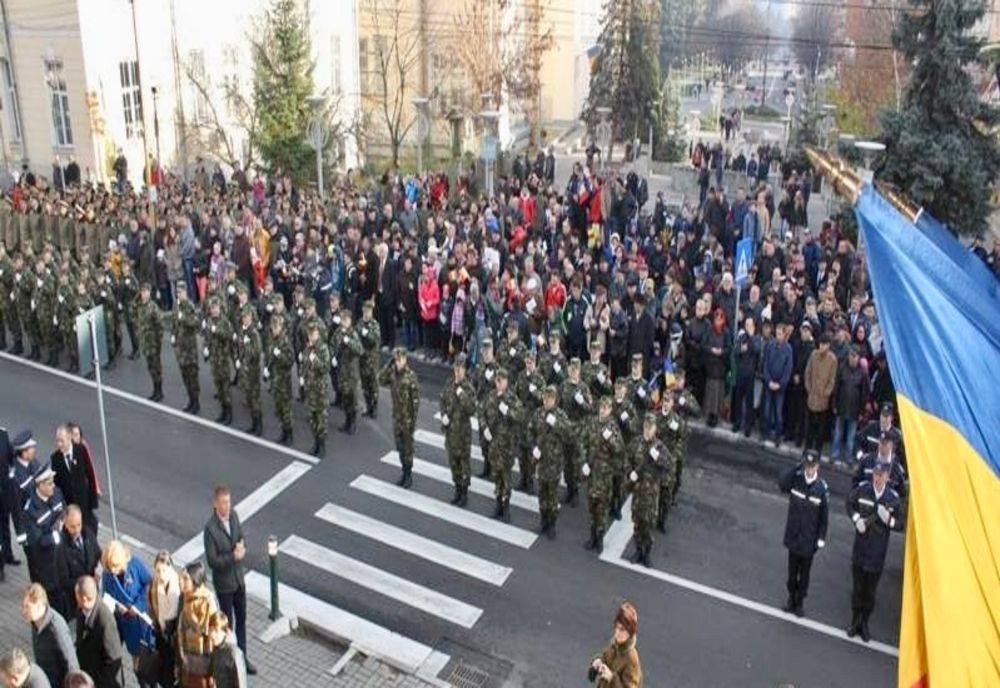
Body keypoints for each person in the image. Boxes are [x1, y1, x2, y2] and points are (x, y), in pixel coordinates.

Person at [846, 462, 904, 642]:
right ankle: (854, 621)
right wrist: (857, 520)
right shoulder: (863, 490)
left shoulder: (892, 498)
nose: (878, 478)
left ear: (887, 477)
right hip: (860, 549)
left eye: (881, 475)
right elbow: (850, 504)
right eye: (876, 475)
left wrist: (888, 520)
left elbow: (901, 524)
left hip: (877, 553)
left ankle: (864, 623)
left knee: (870, 593)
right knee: (857, 589)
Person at [202, 486, 254, 674]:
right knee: (228, 626)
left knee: (242, 620)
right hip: (224, 586)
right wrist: (233, 556)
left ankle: (243, 658)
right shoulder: (210, 529)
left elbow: (241, 537)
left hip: (239, 580)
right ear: (216, 504)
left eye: (229, 502)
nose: (227, 506)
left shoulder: (233, 516)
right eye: (224, 502)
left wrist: (242, 546)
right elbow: (212, 561)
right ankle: (231, 663)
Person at [777, 450, 829, 618]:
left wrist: (821, 538)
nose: (809, 469)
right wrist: (796, 467)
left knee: (804, 575)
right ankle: (791, 599)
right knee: (792, 574)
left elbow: (824, 517)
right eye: (807, 465)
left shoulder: (821, 488)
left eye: (812, 466)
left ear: (817, 467)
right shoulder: (796, 479)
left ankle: (800, 603)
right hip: (794, 535)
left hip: (808, 539)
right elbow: (782, 483)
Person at [99, 540, 156, 688]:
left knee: (148, 669)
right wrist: (118, 608)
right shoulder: (108, 574)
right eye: (109, 567)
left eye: (115, 567)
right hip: (126, 626)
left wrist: (138, 605)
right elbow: (107, 596)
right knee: (138, 668)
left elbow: (149, 584)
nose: (112, 571)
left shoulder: (135, 565)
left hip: (142, 624)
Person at [629, 414, 672, 567]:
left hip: (651, 494)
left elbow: (669, 464)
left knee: (648, 525)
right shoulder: (637, 443)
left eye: (650, 428)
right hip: (638, 492)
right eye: (645, 427)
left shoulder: (659, 447)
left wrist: (657, 457)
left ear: (655, 429)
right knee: (637, 523)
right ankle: (638, 550)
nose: (647, 431)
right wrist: (631, 473)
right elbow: (628, 459)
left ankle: (646, 553)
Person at [583, 397, 623, 555]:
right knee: (592, 506)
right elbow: (583, 442)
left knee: (602, 508)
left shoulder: (613, 427)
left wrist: (610, 439)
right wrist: (583, 462)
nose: (603, 410)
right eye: (601, 407)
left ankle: (599, 538)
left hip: (605, 475)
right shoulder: (592, 423)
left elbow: (620, 449)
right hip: (592, 472)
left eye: (606, 408)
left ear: (610, 410)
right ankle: (592, 536)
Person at [529, 386, 570, 538]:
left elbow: (569, 433)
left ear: (555, 400)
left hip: (554, 462)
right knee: (542, 493)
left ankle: (552, 524)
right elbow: (530, 430)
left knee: (552, 496)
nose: (547, 400)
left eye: (551, 398)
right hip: (541, 461)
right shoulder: (538, 413)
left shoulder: (560, 415)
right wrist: (533, 447)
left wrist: (556, 424)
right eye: (546, 397)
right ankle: (543, 521)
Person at [481, 368, 521, 521]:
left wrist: (508, 411)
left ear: (507, 381)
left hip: (506, 446)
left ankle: (506, 507)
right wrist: (484, 428)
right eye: (498, 379)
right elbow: (482, 412)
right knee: (496, 475)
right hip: (494, 445)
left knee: (506, 477)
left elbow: (519, 416)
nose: (499, 381)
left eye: (502, 379)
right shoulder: (491, 396)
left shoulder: (511, 398)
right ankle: (498, 504)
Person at [379, 347, 421, 488]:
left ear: (405, 359)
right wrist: (388, 364)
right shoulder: (392, 374)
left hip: (407, 420)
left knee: (408, 449)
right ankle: (404, 471)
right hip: (397, 418)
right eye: (396, 360)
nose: (398, 362)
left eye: (400, 359)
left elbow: (415, 403)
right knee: (400, 447)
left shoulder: (411, 377)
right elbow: (380, 379)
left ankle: (408, 475)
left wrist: (412, 423)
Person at [23, 464, 65, 605]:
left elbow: (64, 511)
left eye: (53, 482)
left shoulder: (57, 493)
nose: (53, 486)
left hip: (62, 558)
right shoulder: (30, 511)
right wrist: (56, 534)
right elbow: (37, 542)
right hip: (46, 567)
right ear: (40, 485)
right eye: (49, 483)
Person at [74, 575, 125, 688]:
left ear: (84, 599)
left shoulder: (106, 621)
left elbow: (113, 659)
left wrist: (97, 683)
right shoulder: (81, 610)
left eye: (76, 595)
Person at [22, 584, 77, 687]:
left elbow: (71, 664)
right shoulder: (35, 622)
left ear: (39, 605)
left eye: (27, 607)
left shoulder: (56, 629)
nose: (23, 611)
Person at [439, 353, 475, 506]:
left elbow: (471, 409)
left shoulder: (468, 387)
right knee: (453, 463)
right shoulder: (449, 384)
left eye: (460, 368)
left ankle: (464, 493)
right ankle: (457, 489)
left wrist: (462, 395)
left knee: (463, 464)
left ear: (465, 370)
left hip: (463, 434)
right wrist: (443, 416)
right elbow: (442, 400)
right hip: (451, 432)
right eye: (456, 368)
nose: (458, 371)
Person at [50, 424, 99, 535]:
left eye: (61, 441)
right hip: (70, 506)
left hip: (84, 503)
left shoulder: (81, 450)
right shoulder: (55, 458)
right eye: (57, 441)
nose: (59, 444)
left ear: (69, 438)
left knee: (89, 531)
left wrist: (93, 501)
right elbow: (56, 485)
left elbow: (90, 474)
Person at [56, 504, 101, 620]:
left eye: (78, 525)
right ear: (65, 524)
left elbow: (98, 554)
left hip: (94, 591)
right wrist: (86, 583)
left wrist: (99, 568)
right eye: (72, 526)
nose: (76, 530)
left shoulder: (88, 533)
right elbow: (64, 580)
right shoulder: (61, 548)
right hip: (76, 601)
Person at [177, 562, 218, 688]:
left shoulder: (207, 600)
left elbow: (213, 631)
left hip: (202, 659)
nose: (181, 582)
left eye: (185, 578)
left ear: (195, 580)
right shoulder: (184, 596)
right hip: (187, 656)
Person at [830, 346, 869, 465]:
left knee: (851, 437)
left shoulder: (862, 373)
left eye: (855, 356)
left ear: (858, 358)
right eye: (851, 355)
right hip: (841, 406)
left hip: (854, 409)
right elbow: (836, 388)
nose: (852, 358)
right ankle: (834, 455)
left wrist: (862, 411)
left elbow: (865, 393)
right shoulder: (842, 368)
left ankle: (848, 457)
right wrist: (834, 404)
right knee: (838, 433)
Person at [148, 551, 181, 688]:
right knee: (163, 670)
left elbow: (174, 613)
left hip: (173, 634)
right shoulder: (155, 583)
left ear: (170, 568)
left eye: (163, 570)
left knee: (171, 669)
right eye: (157, 570)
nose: (160, 574)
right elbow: (153, 604)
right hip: (161, 631)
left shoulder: (175, 586)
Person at [589, 602, 642, 687]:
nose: (617, 633)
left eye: (622, 630)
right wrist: (597, 662)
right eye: (617, 627)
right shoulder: (614, 646)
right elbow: (605, 657)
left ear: (630, 632)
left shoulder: (631, 659)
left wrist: (611, 678)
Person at [803, 334, 838, 454]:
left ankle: (817, 450)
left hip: (823, 400)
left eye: (824, 344)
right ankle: (807, 449)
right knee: (809, 427)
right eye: (820, 344)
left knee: (820, 428)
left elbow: (832, 380)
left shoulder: (832, 359)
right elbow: (807, 372)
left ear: (828, 345)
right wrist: (808, 387)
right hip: (812, 397)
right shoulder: (813, 355)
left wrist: (826, 393)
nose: (821, 346)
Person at [761, 323, 793, 446]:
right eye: (777, 333)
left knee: (778, 412)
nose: (777, 336)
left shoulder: (788, 349)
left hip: (780, 386)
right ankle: (766, 433)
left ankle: (778, 436)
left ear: (784, 335)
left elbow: (788, 369)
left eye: (780, 334)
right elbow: (766, 364)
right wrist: (768, 380)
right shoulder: (770, 345)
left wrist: (780, 384)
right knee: (767, 410)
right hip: (769, 383)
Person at [331, 309, 362, 436]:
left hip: (351, 372)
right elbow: (332, 343)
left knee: (352, 398)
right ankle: (347, 421)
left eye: (346, 320)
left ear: (350, 321)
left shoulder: (353, 334)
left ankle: (352, 423)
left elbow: (360, 350)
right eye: (342, 319)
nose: (343, 322)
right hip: (341, 371)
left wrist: (349, 342)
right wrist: (333, 356)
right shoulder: (338, 332)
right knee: (345, 398)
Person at [265, 312, 295, 445]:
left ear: (280, 327)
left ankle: (289, 434)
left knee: (286, 408)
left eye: (276, 327)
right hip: (275, 379)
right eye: (273, 327)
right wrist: (267, 368)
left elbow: (290, 361)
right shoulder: (272, 339)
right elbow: (269, 355)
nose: (274, 329)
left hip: (283, 379)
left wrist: (280, 355)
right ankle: (283, 431)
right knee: (278, 408)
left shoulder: (285, 341)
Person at [301, 322, 330, 456]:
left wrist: (316, 360)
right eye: (309, 334)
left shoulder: (322, 348)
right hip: (310, 388)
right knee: (311, 417)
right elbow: (305, 365)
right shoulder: (308, 348)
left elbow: (325, 368)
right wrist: (302, 376)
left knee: (320, 418)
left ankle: (322, 445)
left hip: (320, 389)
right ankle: (316, 442)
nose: (311, 336)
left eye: (313, 334)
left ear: (317, 334)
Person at [172, 284, 201, 414]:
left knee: (192, 376)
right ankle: (190, 400)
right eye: (178, 292)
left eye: (181, 292)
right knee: (185, 376)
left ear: (186, 292)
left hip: (190, 348)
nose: (179, 294)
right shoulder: (176, 306)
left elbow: (195, 323)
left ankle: (196, 402)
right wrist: (173, 335)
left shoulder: (189, 306)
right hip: (180, 348)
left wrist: (184, 318)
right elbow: (174, 323)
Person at [235, 306, 263, 436]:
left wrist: (248, 345)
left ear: (251, 318)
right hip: (244, 369)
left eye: (247, 317)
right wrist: (237, 359)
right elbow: (238, 347)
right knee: (249, 398)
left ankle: (259, 425)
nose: (244, 320)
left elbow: (257, 352)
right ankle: (253, 423)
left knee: (255, 398)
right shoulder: (242, 331)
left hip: (253, 370)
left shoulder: (254, 333)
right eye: (243, 318)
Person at [135, 281, 165, 402]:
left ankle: (159, 391)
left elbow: (160, 325)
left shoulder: (153, 307)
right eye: (142, 291)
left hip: (153, 342)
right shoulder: (140, 306)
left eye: (146, 291)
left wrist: (158, 341)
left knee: (156, 367)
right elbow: (133, 308)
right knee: (150, 367)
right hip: (145, 342)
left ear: (150, 292)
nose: (143, 294)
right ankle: (155, 389)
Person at [208, 612, 247, 688]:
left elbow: (241, 684)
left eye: (216, 631)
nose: (212, 635)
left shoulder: (234, 654)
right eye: (211, 630)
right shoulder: (216, 647)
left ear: (224, 632)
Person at [358, 299, 382, 418]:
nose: (366, 314)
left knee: (373, 385)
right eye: (364, 312)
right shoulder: (360, 323)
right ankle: (368, 407)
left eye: (368, 312)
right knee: (365, 385)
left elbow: (375, 340)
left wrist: (366, 333)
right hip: (362, 359)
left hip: (372, 360)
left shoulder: (375, 325)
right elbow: (356, 336)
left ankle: (374, 408)